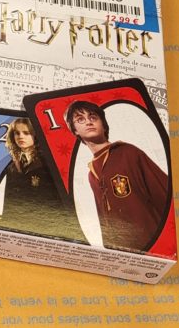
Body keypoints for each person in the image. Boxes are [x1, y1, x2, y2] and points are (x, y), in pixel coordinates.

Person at [66, 100, 170, 252]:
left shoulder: (129, 153)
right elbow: (103, 217)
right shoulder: (92, 174)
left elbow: (164, 192)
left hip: (151, 240)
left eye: (93, 117)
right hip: (124, 249)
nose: (88, 122)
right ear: (75, 130)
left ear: (104, 125)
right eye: (80, 119)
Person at [0, 118, 85, 241]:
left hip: (46, 228)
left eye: (26, 133)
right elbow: (9, 201)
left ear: (36, 135)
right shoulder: (12, 166)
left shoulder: (49, 162)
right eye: (17, 133)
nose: (21, 136)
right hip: (18, 227)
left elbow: (60, 201)